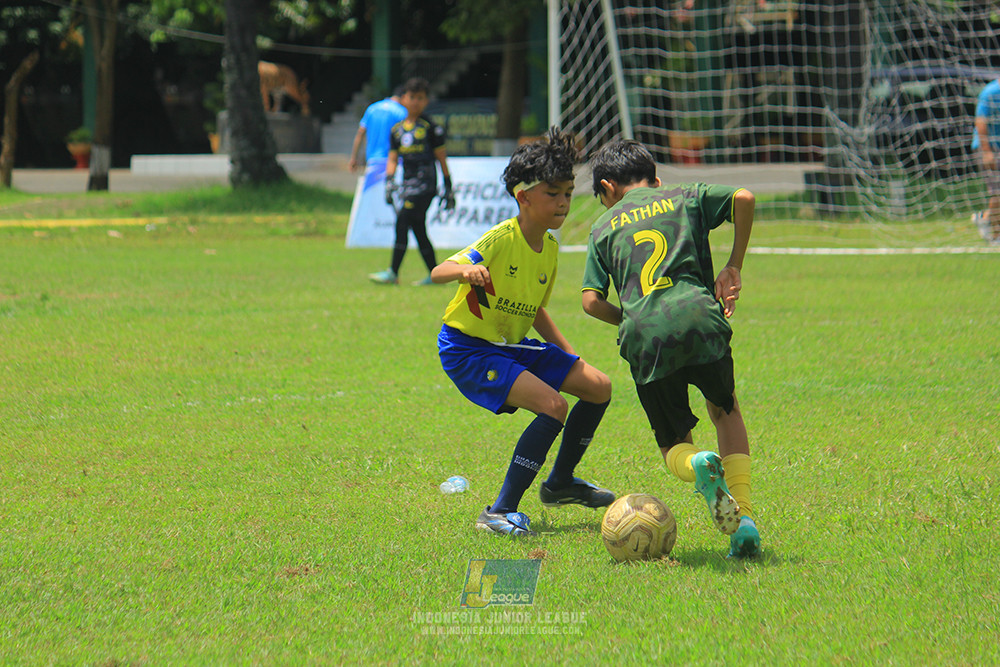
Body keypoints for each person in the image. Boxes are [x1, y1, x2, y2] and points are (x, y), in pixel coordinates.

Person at [580, 139, 760, 559]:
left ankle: (694, 463)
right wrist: (734, 265)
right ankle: (745, 519)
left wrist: (628, 320)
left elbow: (590, 301)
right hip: (701, 316)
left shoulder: (603, 227)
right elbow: (745, 198)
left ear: (607, 188)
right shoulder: (685, 195)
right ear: (655, 180)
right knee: (726, 410)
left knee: (673, 443)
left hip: (646, 336)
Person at [431, 128, 614, 537]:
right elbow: (438, 271)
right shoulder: (500, 237)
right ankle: (498, 511)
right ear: (523, 197)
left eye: (568, 192)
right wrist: (465, 270)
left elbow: (535, 311)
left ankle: (561, 483)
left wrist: (571, 356)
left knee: (598, 386)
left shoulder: (549, 246)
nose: (564, 202)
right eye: (553, 194)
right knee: (553, 406)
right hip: (469, 349)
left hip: (510, 345)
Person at [369, 78, 455, 286]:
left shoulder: (432, 128)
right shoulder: (397, 130)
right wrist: (389, 181)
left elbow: (442, 159)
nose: (416, 102)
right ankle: (436, 274)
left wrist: (448, 187)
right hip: (407, 185)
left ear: (426, 101)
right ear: (403, 99)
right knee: (418, 228)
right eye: (412, 97)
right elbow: (392, 158)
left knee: (402, 221)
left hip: (425, 186)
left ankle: (393, 273)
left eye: (420, 98)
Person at [348, 87, 406, 172]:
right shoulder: (401, 112)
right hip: (392, 162)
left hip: (372, 160)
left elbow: (360, 133)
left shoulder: (372, 108)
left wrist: (354, 158)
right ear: (404, 97)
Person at [972, 77, 1000, 245]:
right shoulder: (991, 92)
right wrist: (987, 152)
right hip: (987, 147)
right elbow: (981, 122)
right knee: (998, 192)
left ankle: (985, 218)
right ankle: (996, 236)